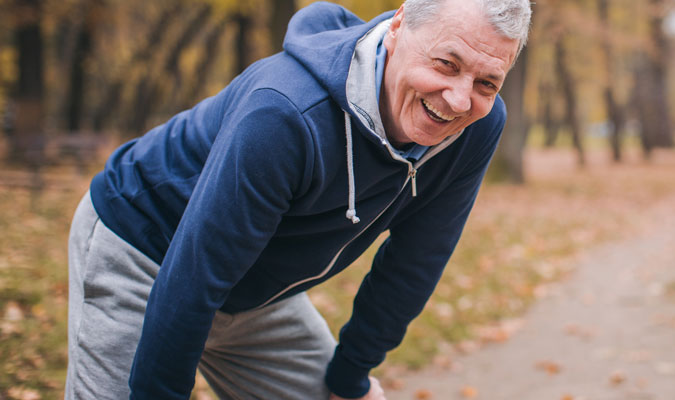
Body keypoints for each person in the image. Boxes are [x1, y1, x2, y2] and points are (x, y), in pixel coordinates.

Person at [64, 0, 531, 398]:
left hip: (255, 292)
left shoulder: (476, 126)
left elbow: (418, 258)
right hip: (144, 249)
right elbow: (193, 277)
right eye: (445, 64)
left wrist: (351, 376)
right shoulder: (285, 113)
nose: (458, 99)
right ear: (398, 28)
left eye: (487, 82)